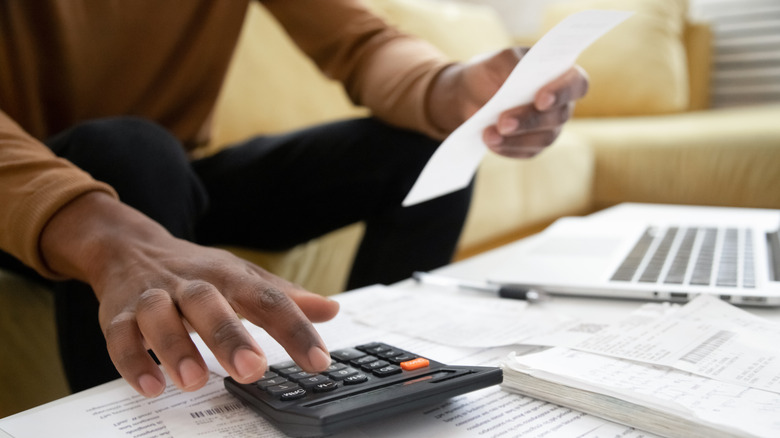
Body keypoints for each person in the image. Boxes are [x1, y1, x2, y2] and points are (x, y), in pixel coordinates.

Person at [0, 0, 587, 398]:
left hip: (174, 177)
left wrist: (452, 89)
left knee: (412, 150)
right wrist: (103, 231)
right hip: (25, 197)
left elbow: (359, 43)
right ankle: (142, 422)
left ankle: (371, 374)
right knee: (128, 149)